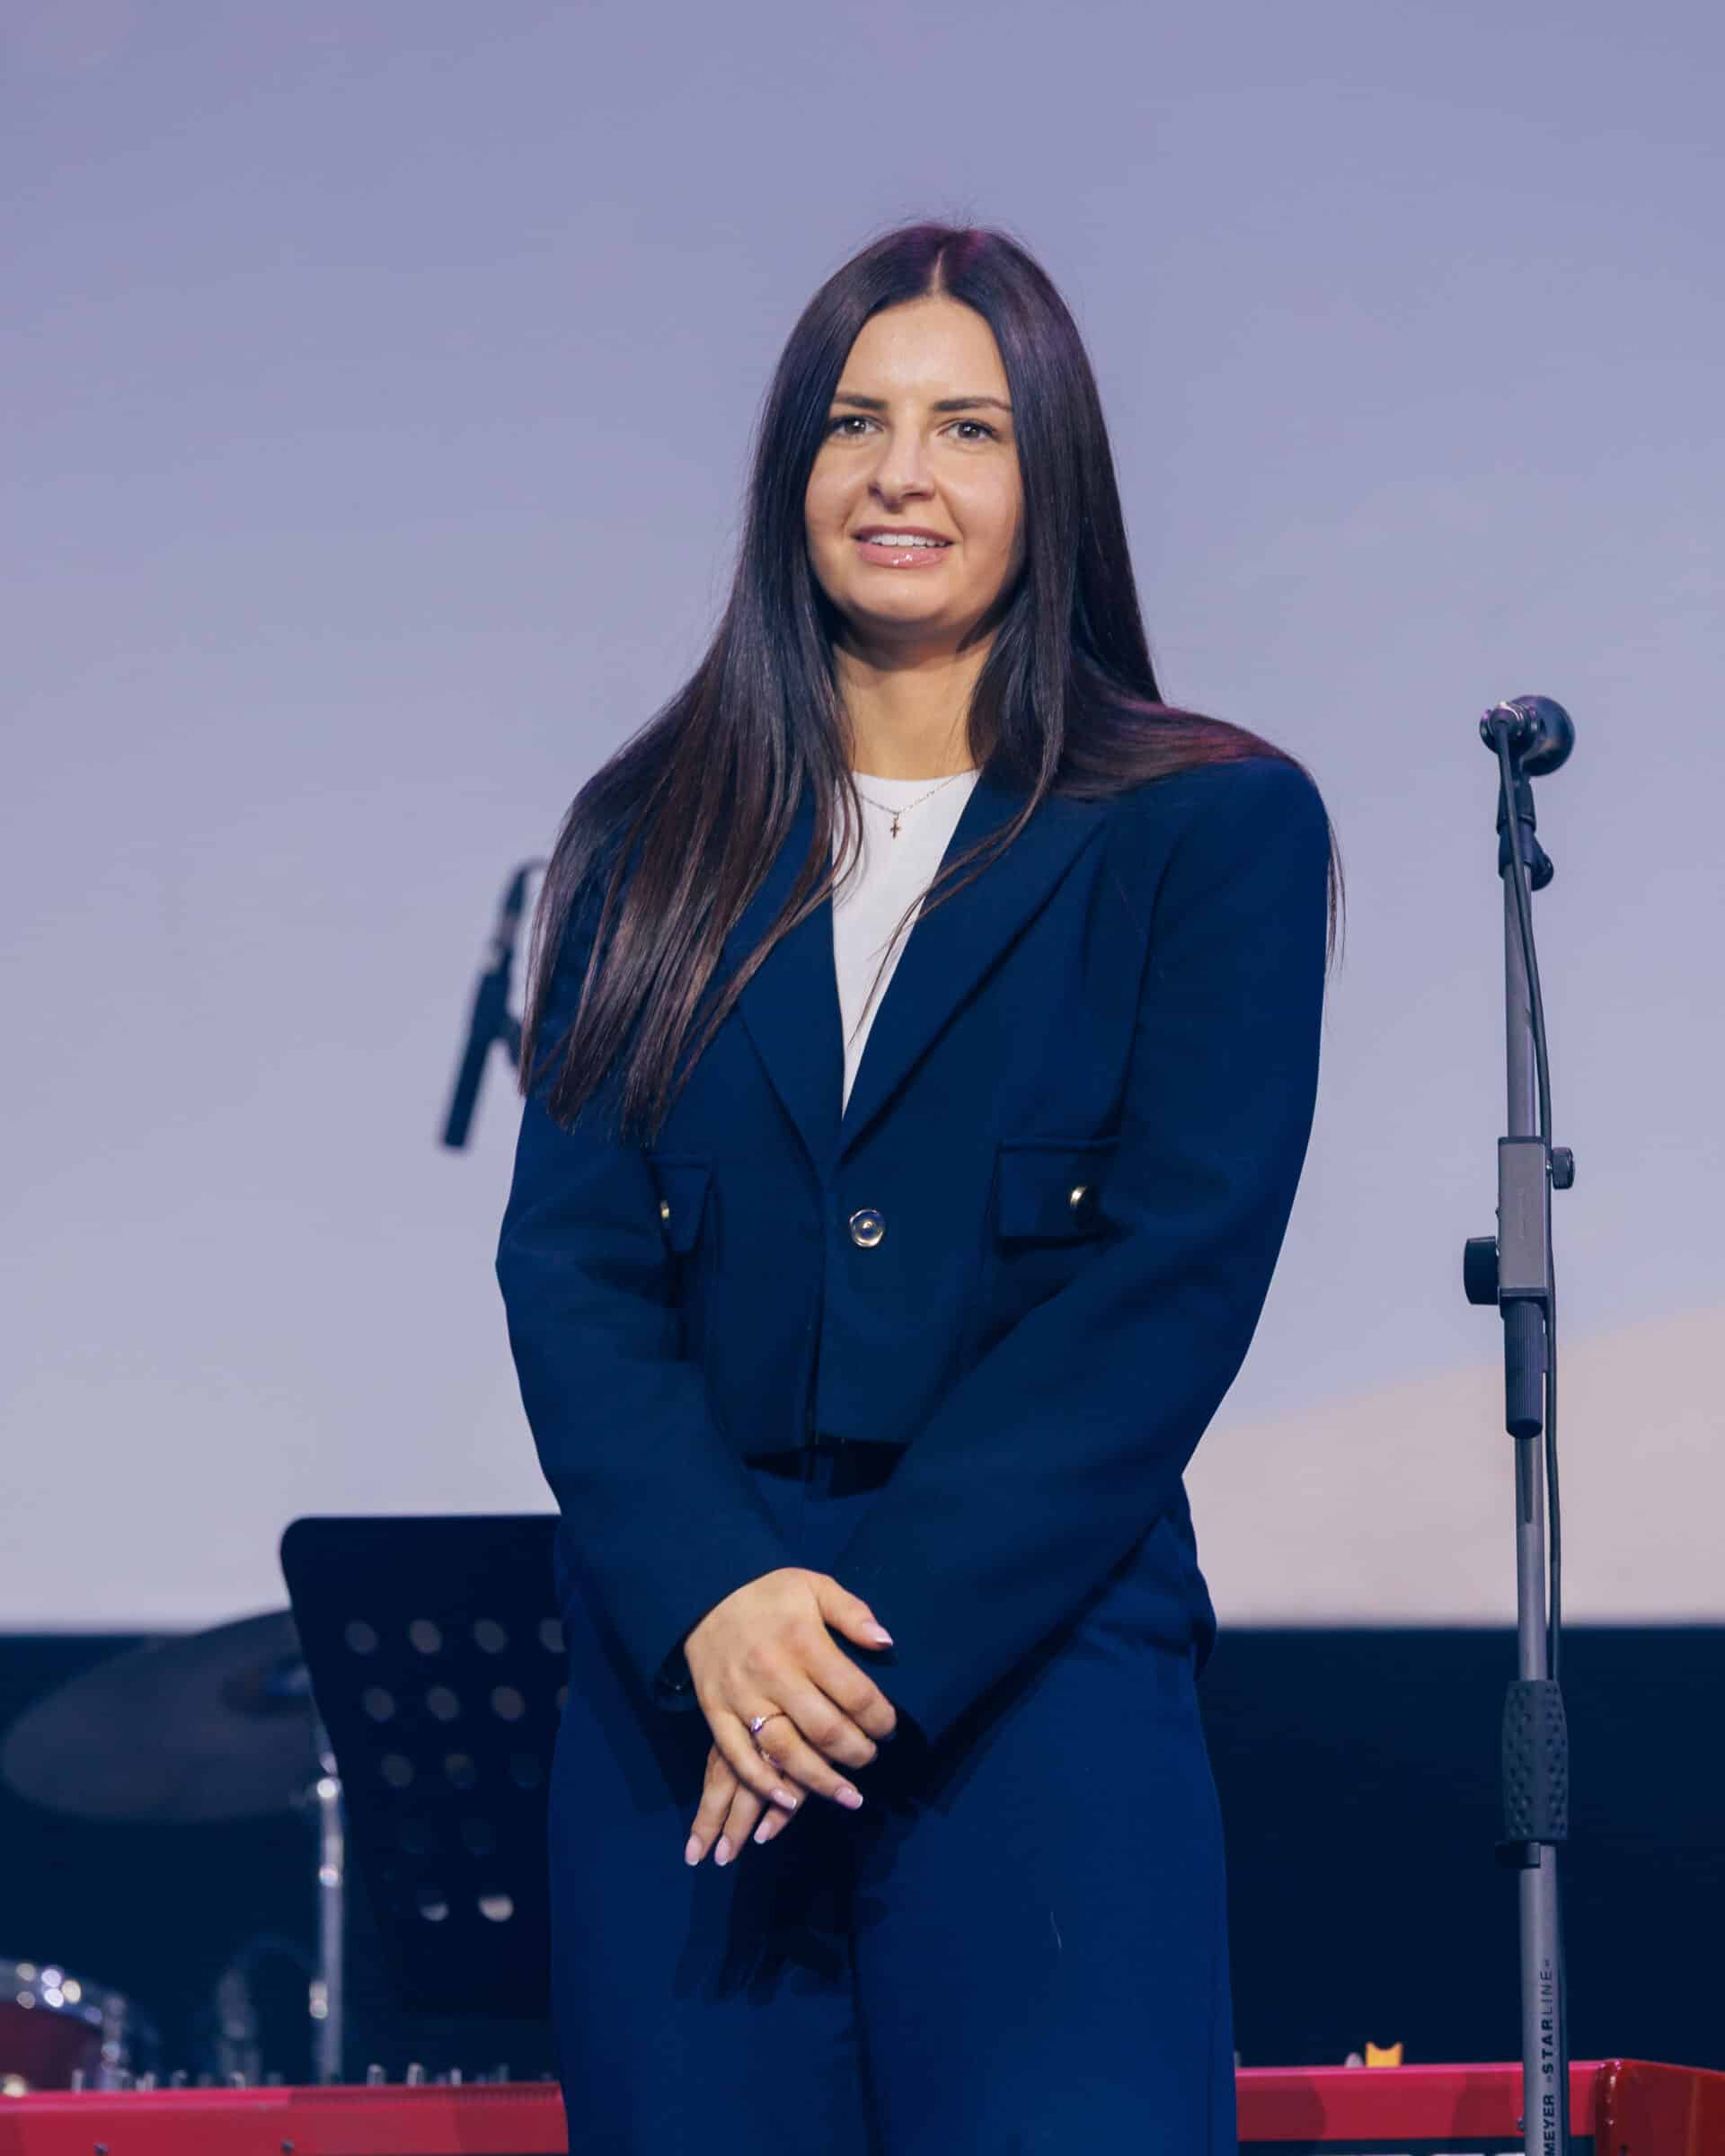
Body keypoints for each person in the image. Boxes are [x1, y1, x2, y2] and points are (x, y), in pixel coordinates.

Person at [495, 217, 1343, 2155]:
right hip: (690, 1692)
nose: (902, 474)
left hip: (1037, 1675)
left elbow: (1166, 1286)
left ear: (1053, 481)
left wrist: (857, 1651)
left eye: (968, 428)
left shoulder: (1211, 826)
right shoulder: (649, 835)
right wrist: (719, 1600)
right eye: (854, 423)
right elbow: (573, 1268)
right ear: (789, 470)